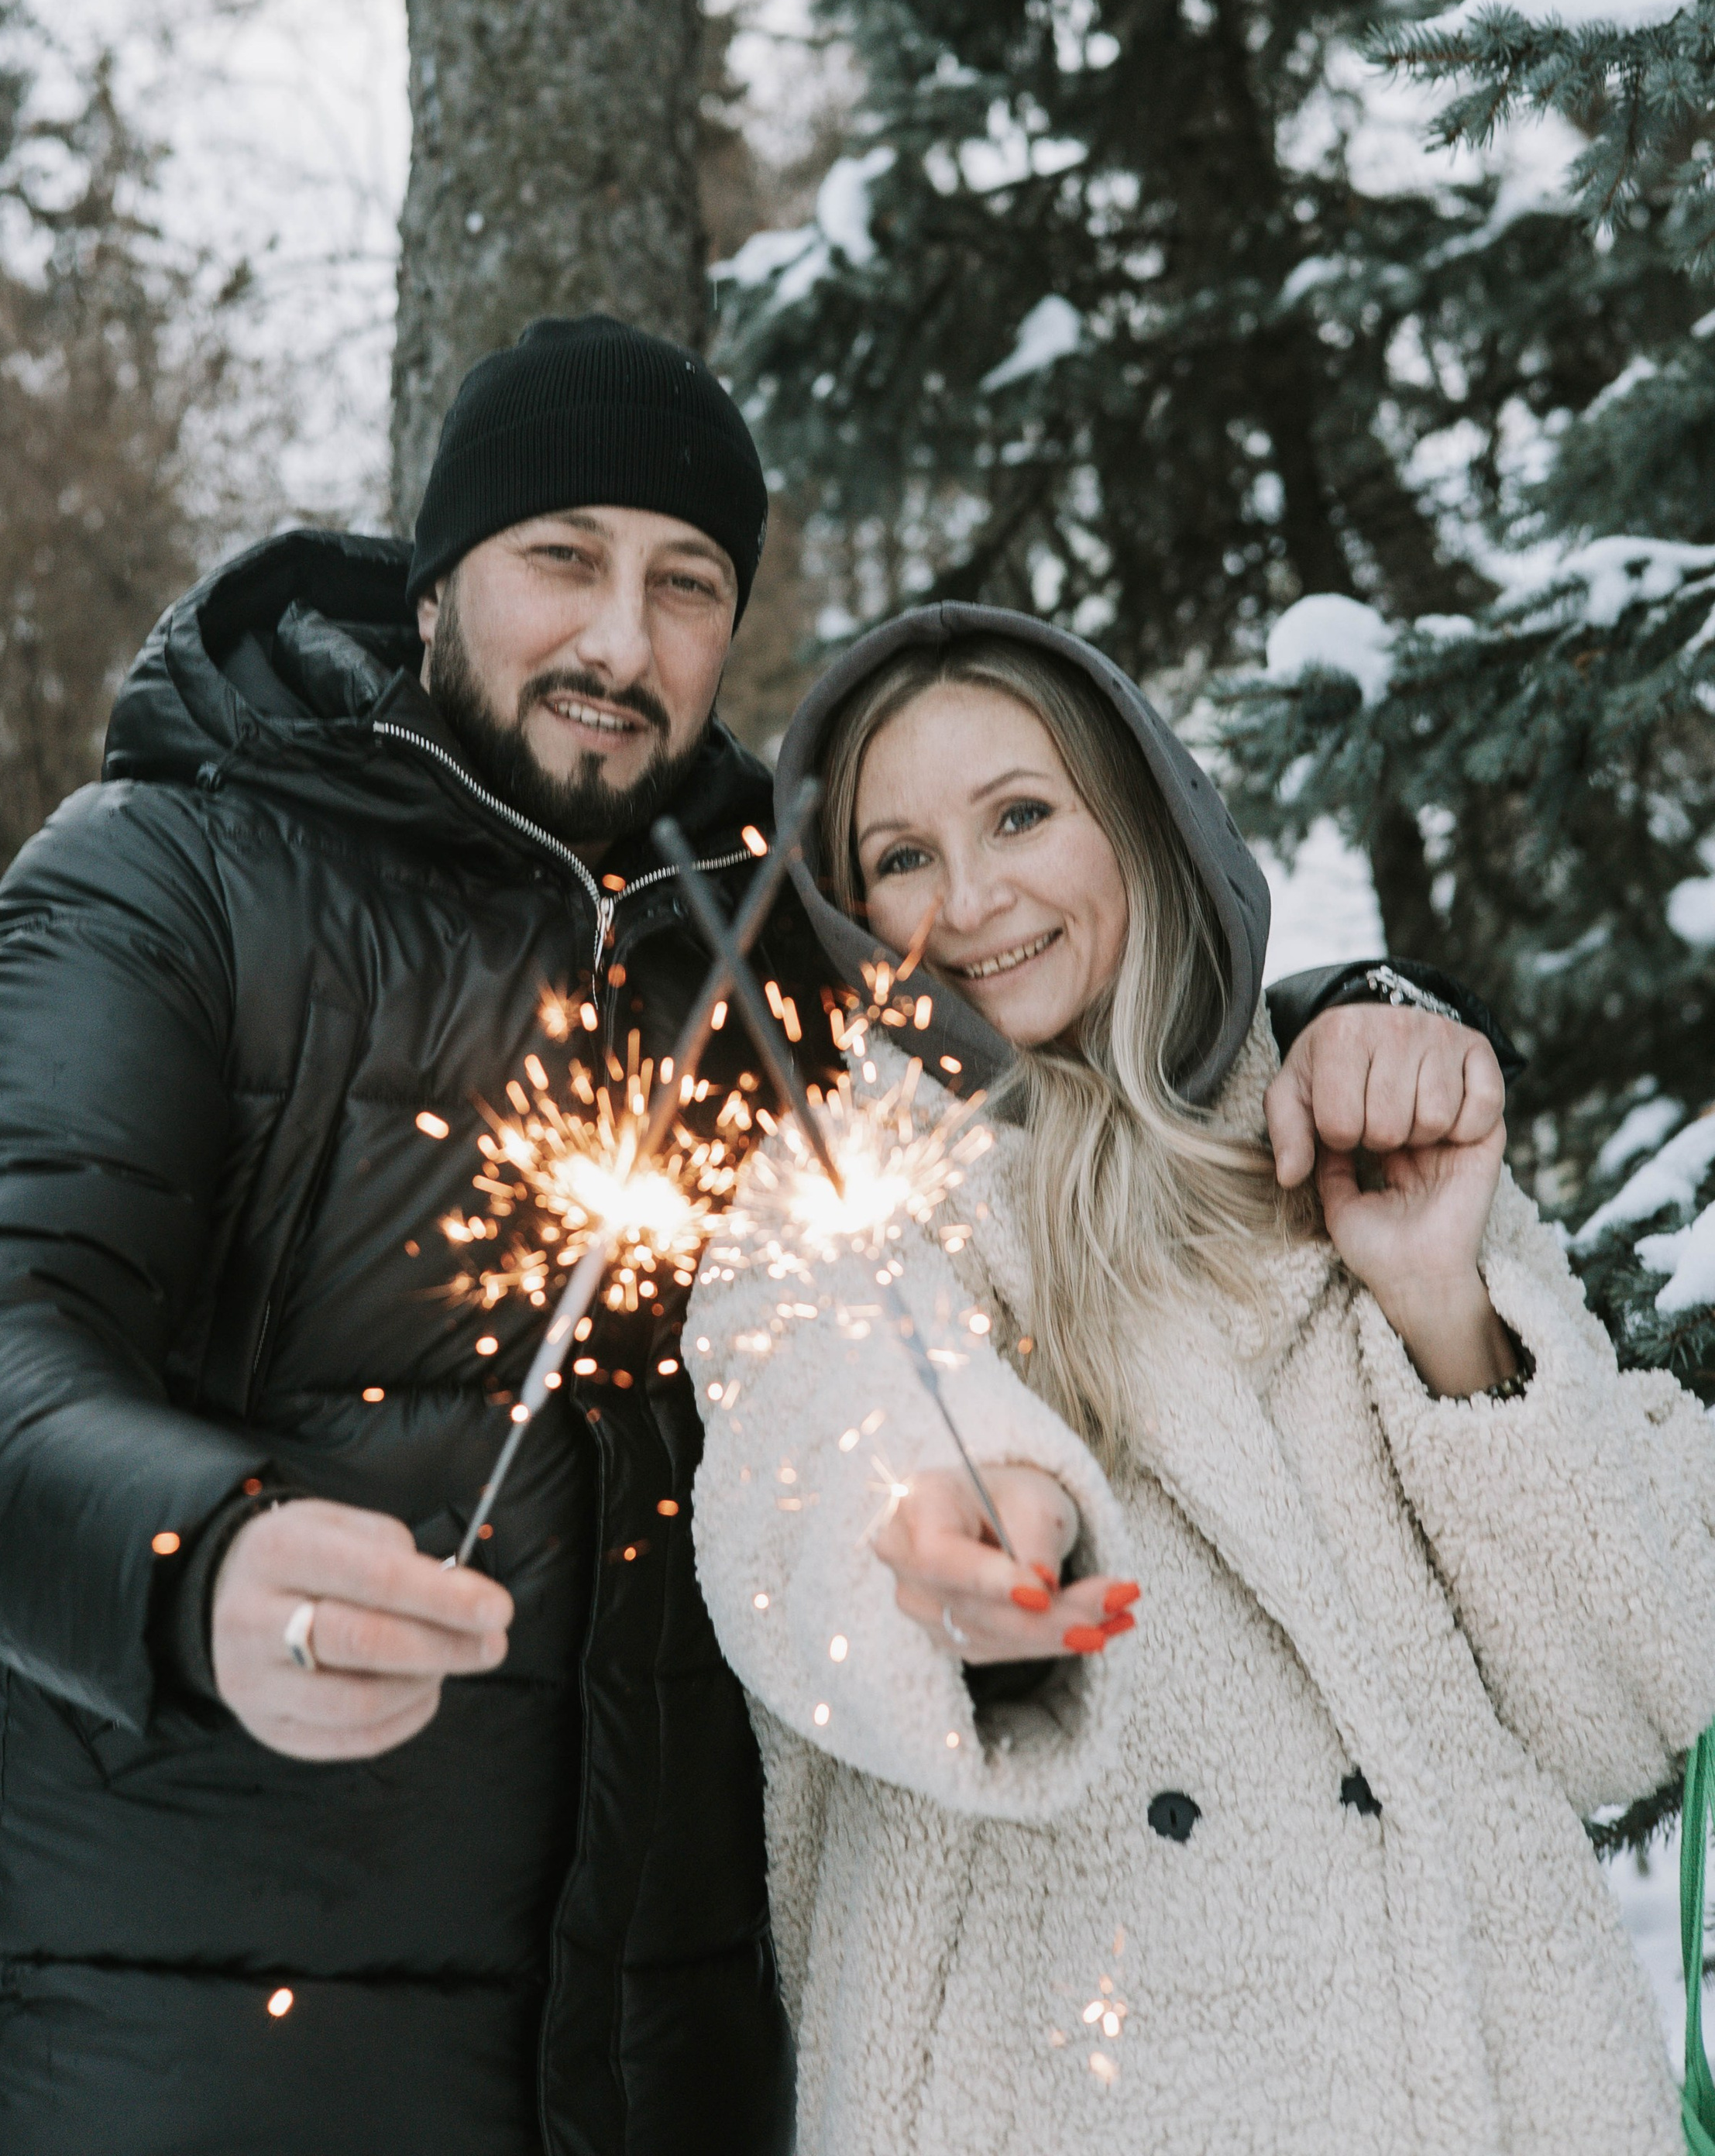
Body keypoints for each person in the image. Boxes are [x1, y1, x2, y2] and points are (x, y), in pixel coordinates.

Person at [0, 321, 1504, 2156]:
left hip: (662, 2064)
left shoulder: (774, 939)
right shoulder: (171, 873)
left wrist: (1370, 1016)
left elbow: (1098, 1031)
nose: (618, 645)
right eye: (559, 558)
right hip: (191, 2047)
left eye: (684, 584)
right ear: (434, 583)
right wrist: (194, 1564)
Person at [689, 603, 1715, 2156]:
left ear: (1143, 824)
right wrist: (945, 1528)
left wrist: (1439, 1297)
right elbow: (809, 1437)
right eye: (898, 859)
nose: (966, 900)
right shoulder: (832, 1193)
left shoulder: (1360, 1139)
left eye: (1019, 814)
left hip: (1491, 2084)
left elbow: (1621, 1706)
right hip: (1034, 2082)